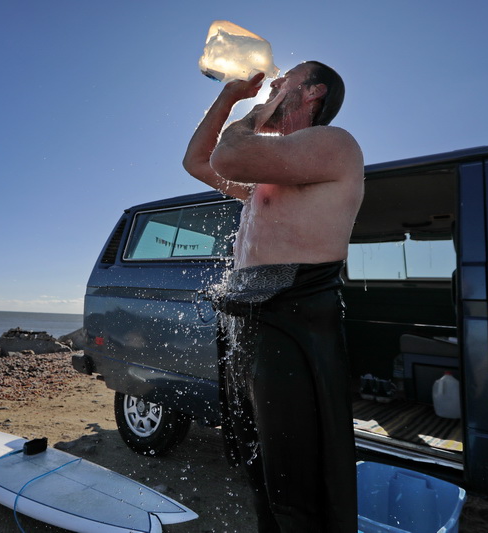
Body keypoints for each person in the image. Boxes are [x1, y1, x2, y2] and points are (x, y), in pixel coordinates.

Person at [183, 61, 364, 532]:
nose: (275, 85)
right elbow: (197, 162)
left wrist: (258, 112)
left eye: (285, 82)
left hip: (297, 311)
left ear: (313, 92)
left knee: (295, 474)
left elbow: (227, 157)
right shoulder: (272, 172)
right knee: (258, 463)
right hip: (253, 316)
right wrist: (229, 97)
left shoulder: (334, 144)